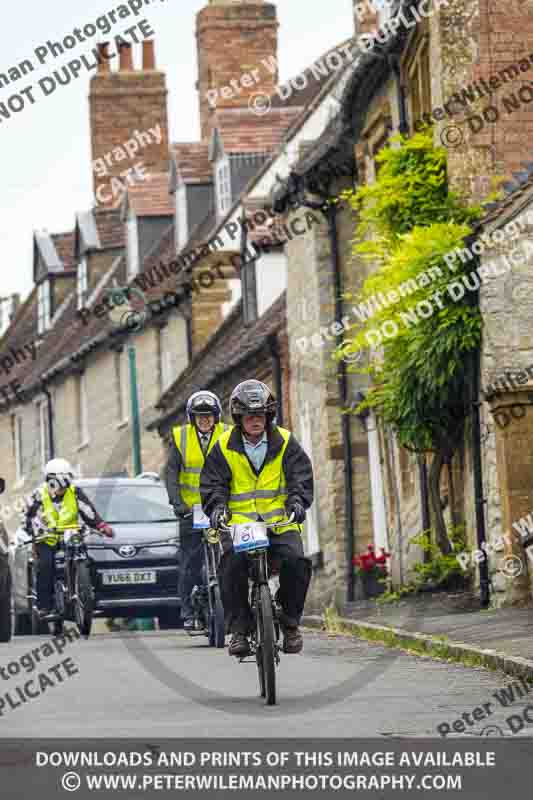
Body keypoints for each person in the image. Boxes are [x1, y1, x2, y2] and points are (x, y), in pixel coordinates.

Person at [200, 380, 313, 657]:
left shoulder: (286, 442)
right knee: (231, 564)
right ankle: (239, 630)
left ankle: (289, 622)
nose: (255, 421)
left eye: (260, 415)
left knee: (297, 561)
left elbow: (300, 477)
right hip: (240, 524)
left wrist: (297, 501)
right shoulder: (222, 447)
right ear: (239, 418)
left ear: (268, 416)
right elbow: (213, 485)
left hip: (279, 522)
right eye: (249, 416)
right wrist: (217, 508)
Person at [165, 390, 229, 630]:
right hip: (191, 510)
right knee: (190, 562)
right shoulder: (181, 437)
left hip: (222, 508)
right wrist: (177, 503)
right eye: (200, 416)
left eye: (209, 416)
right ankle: (188, 612)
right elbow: (171, 473)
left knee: (234, 555)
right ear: (192, 418)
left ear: (216, 417)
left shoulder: (228, 434)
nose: (205, 420)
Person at [23, 459, 114, 617]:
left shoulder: (75, 491)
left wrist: (101, 526)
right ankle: (45, 606)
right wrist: (34, 530)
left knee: (87, 559)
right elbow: (28, 517)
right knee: (46, 565)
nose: (62, 486)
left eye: (65, 480)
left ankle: (91, 598)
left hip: (70, 534)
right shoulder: (39, 494)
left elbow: (88, 510)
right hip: (47, 538)